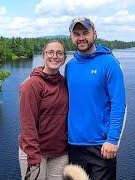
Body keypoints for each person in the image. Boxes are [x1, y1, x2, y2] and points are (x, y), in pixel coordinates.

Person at [65, 17, 126, 180]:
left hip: (102, 145)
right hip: (74, 145)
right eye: (76, 33)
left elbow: (119, 104)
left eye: (85, 32)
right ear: (71, 36)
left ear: (94, 34)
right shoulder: (70, 66)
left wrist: (113, 139)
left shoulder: (109, 63)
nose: (81, 37)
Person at [19, 40, 68, 180]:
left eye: (59, 53)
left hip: (60, 153)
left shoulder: (65, 83)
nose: (55, 56)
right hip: (35, 152)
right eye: (50, 52)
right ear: (43, 55)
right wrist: (33, 154)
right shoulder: (32, 84)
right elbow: (27, 123)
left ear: (64, 58)